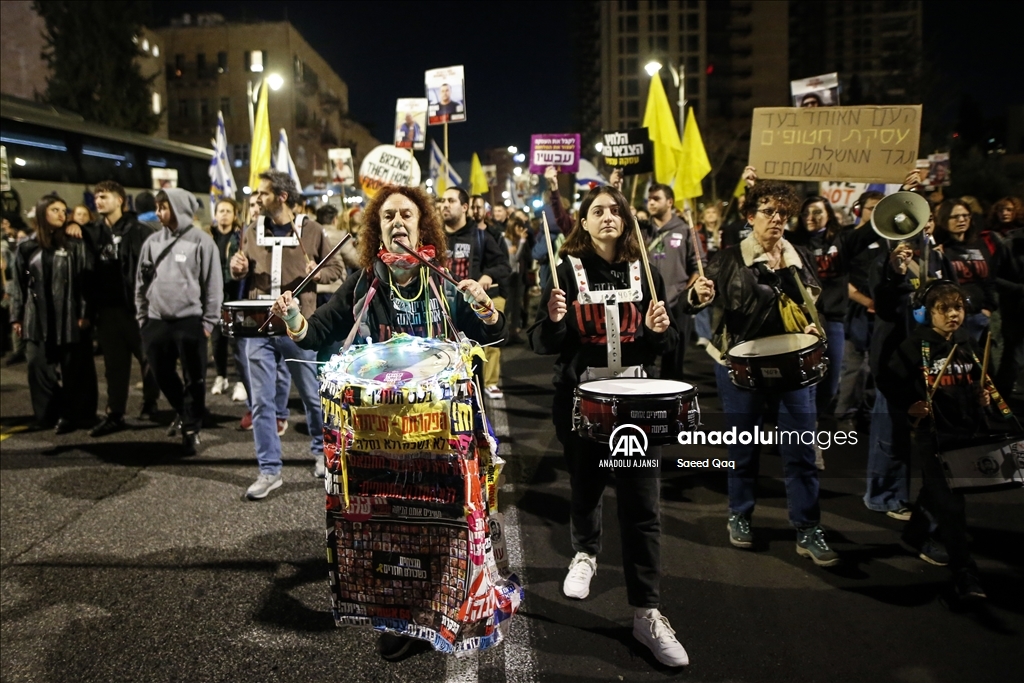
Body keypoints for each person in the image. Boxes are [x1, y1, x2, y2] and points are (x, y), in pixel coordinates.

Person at [269, 184, 505, 662]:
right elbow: (316, 334)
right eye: (390, 216)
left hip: (441, 432)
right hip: (382, 437)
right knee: (398, 529)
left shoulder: (441, 279)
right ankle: (411, 618)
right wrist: (293, 316)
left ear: (423, 226)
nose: (399, 222)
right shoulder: (363, 283)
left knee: (446, 526)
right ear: (378, 227)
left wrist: (482, 305)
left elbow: (490, 331)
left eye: (408, 216)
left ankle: (452, 605)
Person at [530, 184, 690, 668]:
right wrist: (556, 320)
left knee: (643, 506)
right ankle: (585, 552)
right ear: (584, 220)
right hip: (583, 399)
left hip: (637, 403)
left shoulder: (647, 266)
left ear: (626, 219)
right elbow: (543, 342)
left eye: (615, 210)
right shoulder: (564, 270)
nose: (607, 217)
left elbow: (668, 342)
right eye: (597, 210)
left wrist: (662, 331)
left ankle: (647, 612)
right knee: (586, 484)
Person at [684, 179, 840, 567]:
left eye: (783, 213)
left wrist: (810, 327)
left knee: (801, 450)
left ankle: (807, 527)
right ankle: (740, 513)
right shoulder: (728, 259)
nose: (777, 219)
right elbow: (691, 303)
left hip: (793, 368)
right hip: (740, 367)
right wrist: (696, 296)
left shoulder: (797, 256)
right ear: (750, 216)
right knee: (742, 447)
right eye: (769, 211)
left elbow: (811, 308)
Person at [881, 281, 1021, 601]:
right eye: (944, 309)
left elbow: (975, 378)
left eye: (958, 308)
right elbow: (888, 380)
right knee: (951, 502)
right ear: (926, 314)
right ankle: (965, 571)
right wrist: (909, 404)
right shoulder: (915, 345)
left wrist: (982, 395)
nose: (953, 315)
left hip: (965, 429)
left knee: (939, 489)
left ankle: (916, 534)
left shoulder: (965, 341)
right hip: (933, 433)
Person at [229, 170, 344, 500]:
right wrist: (238, 268)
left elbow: (337, 270)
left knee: (311, 395)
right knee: (262, 401)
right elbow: (243, 268)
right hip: (258, 325)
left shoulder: (312, 229)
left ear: (281, 196)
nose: (257, 199)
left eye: (263, 194)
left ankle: (322, 451)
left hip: (298, 326)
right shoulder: (251, 230)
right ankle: (269, 470)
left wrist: (318, 272)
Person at [865, 218, 956, 525]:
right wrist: (895, 273)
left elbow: (953, 296)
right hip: (895, 358)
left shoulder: (937, 257)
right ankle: (885, 496)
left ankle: (933, 502)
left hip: (930, 356)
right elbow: (885, 306)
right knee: (891, 431)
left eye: (929, 221)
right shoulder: (883, 261)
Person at [136, 188, 222, 455]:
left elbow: (213, 285)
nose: (159, 213)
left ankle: (191, 426)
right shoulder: (152, 242)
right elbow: (142, 281)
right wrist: (142, 317)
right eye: (158, 207)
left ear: (179, 208)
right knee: (160, 373)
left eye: (165, 207)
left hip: (191, 321)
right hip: (156, 321)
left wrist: (209, 322)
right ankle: (185, 413)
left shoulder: (202, 241)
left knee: (194, 378)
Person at [10, 194, 97, 432]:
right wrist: (16, 316)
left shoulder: (73, 244)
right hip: (36, 317)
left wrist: (84, 312)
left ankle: (73, 414)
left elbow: (85, 282)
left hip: (69, 316)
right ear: (41, 214)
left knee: (73, 369)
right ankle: (46, 414)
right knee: (37, 365)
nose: (61, 214)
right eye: (55, 210)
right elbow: (18, 284)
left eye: (63, 210)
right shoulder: (26, 246)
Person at [789, 194, 877, 422]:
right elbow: (761, 222)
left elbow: (875, 228)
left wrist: (906, 192)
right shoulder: (791, 241)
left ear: (828, 215)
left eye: (817, 212)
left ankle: (810, 423)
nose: (811, 217)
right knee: (800, 382)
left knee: (829, 385)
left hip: (834, 321)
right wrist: (753, 188)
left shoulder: (843, 241)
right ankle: (797, 432)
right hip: (800, 322)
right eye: (806, 212)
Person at [84, 180, 161, 436]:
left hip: (136, 310)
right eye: (96, 197)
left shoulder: (139, 231)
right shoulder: (91, 232)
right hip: (107, 311)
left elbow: (152, 269)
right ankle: (114, 413)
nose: (99, 201)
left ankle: (151, 400)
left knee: (148, 359)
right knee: (114, 366)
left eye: (104, 196)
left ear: (120, 200)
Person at [440, 187, 511, 399]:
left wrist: (488, 276)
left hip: (470, 318)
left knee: (470, 381)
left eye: (450, 200)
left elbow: (503, 265)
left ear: (464, 207)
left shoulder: (481, 236)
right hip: (442, 316)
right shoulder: (434, 238)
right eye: (442, 200)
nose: (444, 204)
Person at [642, 182, 702, 380]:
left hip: (676, 303)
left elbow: (699, 265)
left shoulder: (685, 230)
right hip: (647, 303)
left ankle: (672, 403)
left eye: (656, 199)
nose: (651, 203)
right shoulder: (642, 231)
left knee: (674, 357)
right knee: (645, 355)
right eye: (649, 199)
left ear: (669, 202)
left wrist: (686, 292)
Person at [834, 190, 885, 422]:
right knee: (853, 369)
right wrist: (867, 302)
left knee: (880, 369)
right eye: (872, 208)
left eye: (880, 209)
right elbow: (840, 279)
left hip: (884, 313)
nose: (876, 214)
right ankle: (845, 415)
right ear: (858, 210)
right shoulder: (847, 239)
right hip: (856, 313)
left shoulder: (889, 240)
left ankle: (871, 412)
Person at [933, 199, 997, 344]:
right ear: (944, 219)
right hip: (952, 318)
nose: (961, 220)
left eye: (965, 215)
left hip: (979, 314)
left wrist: (988, 308)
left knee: (983, 363)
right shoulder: (939, 248)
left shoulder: (979, 244)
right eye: (955, 216)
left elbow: (989, 279)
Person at [208, 198, 245, 398]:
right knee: (217, 340)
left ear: (234, 215)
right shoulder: (208, 236)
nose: (224, 214)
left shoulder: (240, 237)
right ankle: (221, 376)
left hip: (234, 295)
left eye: (228, 211)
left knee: (236, 340)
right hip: (214, 295)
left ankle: (241, 380)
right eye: (220, 210)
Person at [693, 203, 723, 347]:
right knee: (703, 302)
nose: (711, 215)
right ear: (703, 217)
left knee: (718, 304)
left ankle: (716, 333)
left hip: (721, 272)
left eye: (713, 212)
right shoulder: (699, 232)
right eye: (708, 213)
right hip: (705, 270)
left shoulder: (723, 231)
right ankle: (703, 335)